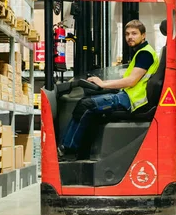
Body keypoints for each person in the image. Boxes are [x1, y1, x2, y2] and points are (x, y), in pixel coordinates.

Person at [58, 19, 160, 158]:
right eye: (127, 34)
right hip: (128, 96)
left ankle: (67, 150)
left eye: (134, 33)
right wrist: (103, 83)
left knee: (85, 105)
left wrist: (103, 84)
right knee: (89, 104)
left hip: (131, 100)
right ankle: (81, 151)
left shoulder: (145, 54)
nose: (130, 37)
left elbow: (131, 81)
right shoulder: (141, 52)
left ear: (143, 35)